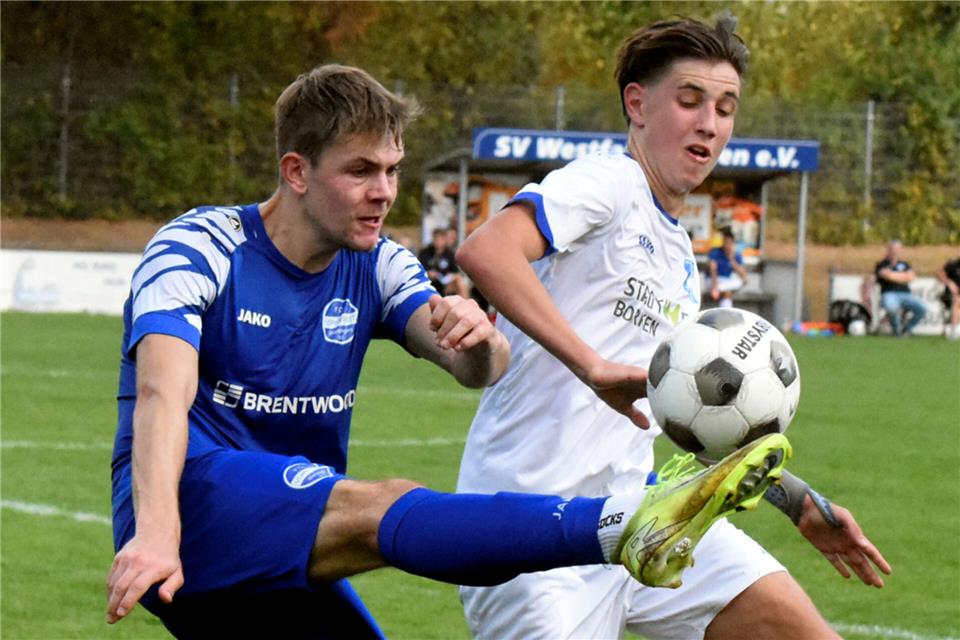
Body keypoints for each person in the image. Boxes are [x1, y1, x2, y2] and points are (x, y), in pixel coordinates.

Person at [105, 63, 792, 638]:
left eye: (393, 170)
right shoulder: (198, 248)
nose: (384, 193)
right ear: (296, 171)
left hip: (289, 532)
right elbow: (165, 393)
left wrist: (480, 338)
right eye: (361, 171)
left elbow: (476, 369)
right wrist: (158, 532)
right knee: (385, 506)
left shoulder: (377, 265)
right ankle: (620, 526)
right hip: (186, 511)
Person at [456, 16, 891, 640]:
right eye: (689, 101)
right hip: (531, 538)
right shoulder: (607, 182)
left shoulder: (680, 257)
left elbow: (701, 417)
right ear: (637, 103)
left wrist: (795, 500)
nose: (709, 122)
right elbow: (488, 250)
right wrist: (591, 365)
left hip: (637, 516)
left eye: (725, 107)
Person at [874, 239, 927, 336]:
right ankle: (896, 331)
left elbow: (912, 277)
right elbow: (886, 275)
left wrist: (893, 276)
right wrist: (903, 276)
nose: (895, 251)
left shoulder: (905, 264)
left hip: (906, 294)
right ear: (888, 250)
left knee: (922, 309)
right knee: (891, 307)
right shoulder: (881, 264)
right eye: (893, 249)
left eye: (898, 249)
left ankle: (906, 329)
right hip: (889, 293)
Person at [418, 226, 469, 298]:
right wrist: (429, 273)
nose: (439, 241)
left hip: (445, 283)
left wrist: (452, 276)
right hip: (430, 282)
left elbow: (455, 271)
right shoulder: (425, 252)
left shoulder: (449, 253)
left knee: (460, 282)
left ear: (445, 239)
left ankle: (465, 306)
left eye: (441, 238)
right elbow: (420, 270)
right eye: (436, 238)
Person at [708, 227, 748, 307]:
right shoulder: (715, 252)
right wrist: (715, 286)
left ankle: (721, 289)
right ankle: (727, 314)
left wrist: (731, 259)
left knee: (740, 282)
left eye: (729, 243)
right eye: (725, 242)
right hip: (713, 280)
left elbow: (744, 276)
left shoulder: (735, 255)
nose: (727, 245)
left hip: (726, 282)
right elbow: (713, 270)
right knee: (727, 293)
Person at [937, 252, 960, 340]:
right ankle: (954, 331)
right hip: (950, 296)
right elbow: (939, 274)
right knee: (957, 300)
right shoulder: (953, 264)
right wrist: (949, 282)